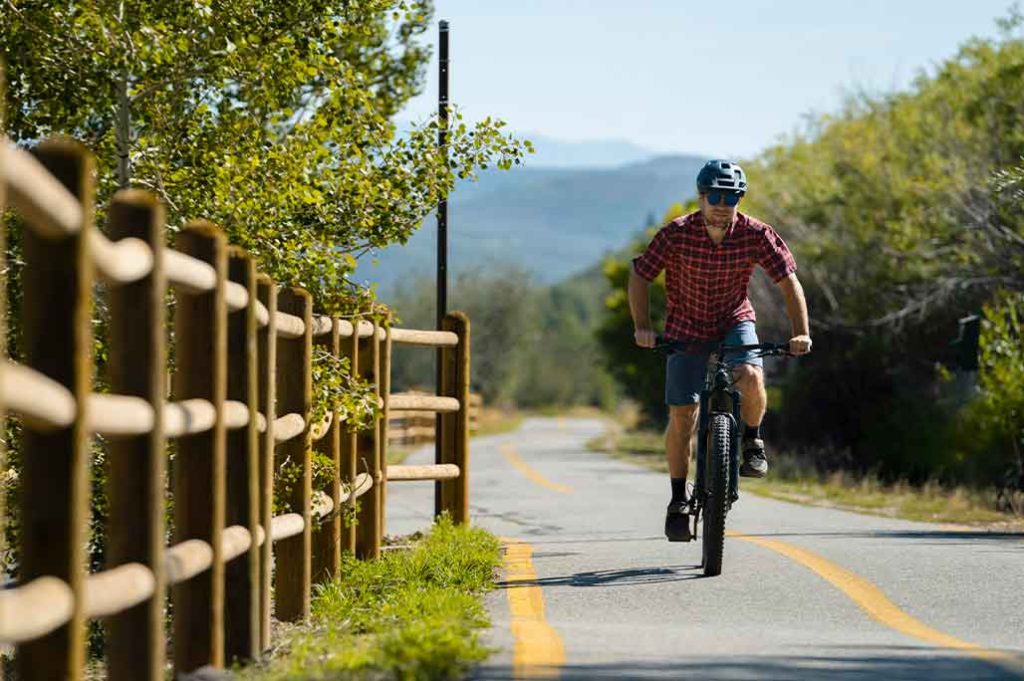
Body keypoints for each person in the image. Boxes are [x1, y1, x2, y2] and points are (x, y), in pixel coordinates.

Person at [628, 160, 812, 542]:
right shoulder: (676, 234)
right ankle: (679, 499)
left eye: (732, 197)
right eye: (715, 196)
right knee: (683, 416)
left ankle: (752, 441)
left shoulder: (756, 234)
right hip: (685, 326)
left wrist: (801, 333)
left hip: (734, 320)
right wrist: (642, 326)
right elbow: (640, 275)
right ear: (701, 196)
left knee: (753, 374)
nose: (723, 204)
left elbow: (788, 282)